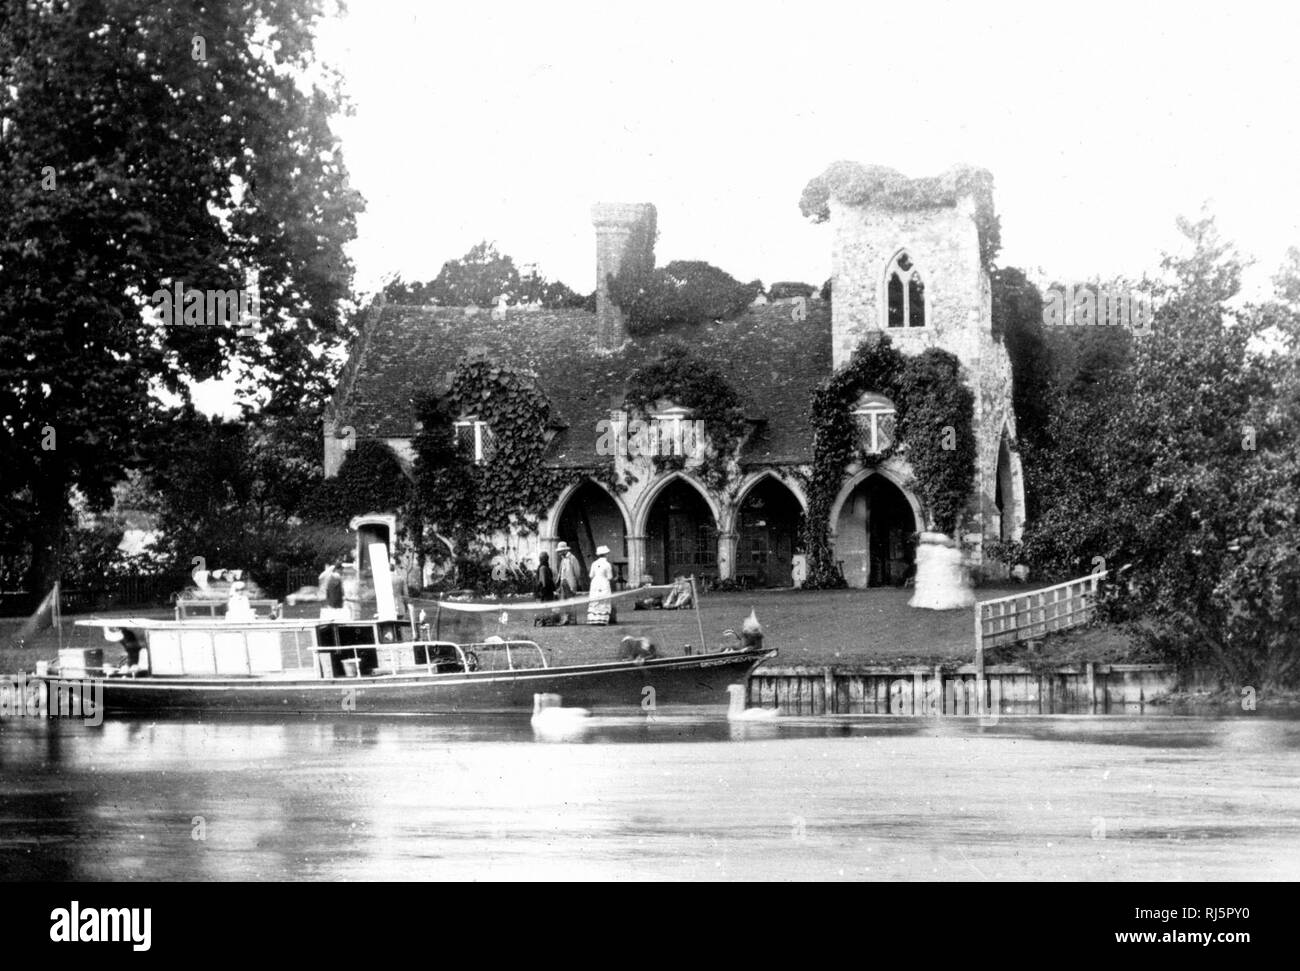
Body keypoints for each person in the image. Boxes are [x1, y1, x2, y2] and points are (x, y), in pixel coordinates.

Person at [556, 542, 583, 625]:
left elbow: (577, 572)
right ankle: (565, 619)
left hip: (570, 583)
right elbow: (561, 572)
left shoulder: (572, 558)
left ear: (565, 550)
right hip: (563, 582)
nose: (559, 553)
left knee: (571, 601)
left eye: (561, 551)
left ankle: (572, 620)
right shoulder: (563, 559)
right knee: (563, 602)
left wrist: (574, 581)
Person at [587, 545, 614, 625]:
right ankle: (602, 619)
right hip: (603, 582)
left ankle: (593, 619)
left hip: (595, 582)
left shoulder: (594, 563)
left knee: (595, 599)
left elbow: (591, 575)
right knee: (603, 599)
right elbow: (610, 577)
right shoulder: (607, 564)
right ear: (606, 554)